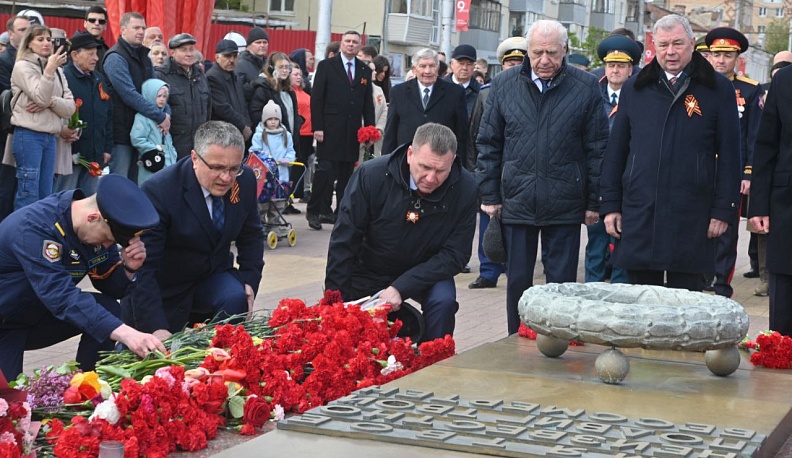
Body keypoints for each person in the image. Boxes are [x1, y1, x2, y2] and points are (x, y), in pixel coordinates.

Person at [477, 20, 608, 335]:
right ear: (527, 51)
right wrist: (490, 195)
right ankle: (516, 339)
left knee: (561, 284)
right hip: (516, 201)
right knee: (518, 282)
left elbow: (598, 148)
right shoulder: (504, 84)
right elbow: (488, 143)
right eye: (537, 52)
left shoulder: (586, 85)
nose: (544, 60)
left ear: (565, 50)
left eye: (552, 52)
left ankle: (557, 341)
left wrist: (593, 202)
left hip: (565, 202)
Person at [600, 15, 741, 292]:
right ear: (655, 46)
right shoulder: (636, 87)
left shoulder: (717, 88)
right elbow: (616, 151)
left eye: (677, 43)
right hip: (641, 210)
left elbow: (730, 157)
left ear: (691, 43)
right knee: (642, 301)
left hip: (692, 211)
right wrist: (610, 205)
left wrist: (723, 209)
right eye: (663, 45)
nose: (671, 52)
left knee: (686, 304)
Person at [0, 174, 164, 378]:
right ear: (93, 217)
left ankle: (90, 386)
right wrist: (126, 332)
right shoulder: (35, 228)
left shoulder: (97, 232)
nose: (107, 247)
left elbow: (110, 286)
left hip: (36, 315)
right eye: (107, 240)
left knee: (109, 309)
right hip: (6, 323)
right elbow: (61, 296)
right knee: (8, 403)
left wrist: (129, 269)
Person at [325, 123, 477, 342]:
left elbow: (456, 255)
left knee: (443, 302)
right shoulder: (372, 175)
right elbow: (345, 239)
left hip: (425, 269)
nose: (431, 178)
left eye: (441, 170)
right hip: (369, 267)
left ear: (452, 163)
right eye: (424, 167)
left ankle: (433, 362)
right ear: (410, 154)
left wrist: (401, 287)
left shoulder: (466, 189)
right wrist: (334, 304)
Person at [121, 121, 264, 338]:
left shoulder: (244, 181)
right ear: (195, 158)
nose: (226, 178)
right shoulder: (160, 191)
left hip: (211, 276)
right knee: (149, 356)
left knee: (236, 297)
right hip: (164, 286)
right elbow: (144, 267)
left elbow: (251, 235)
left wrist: (249, 281)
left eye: (233, 168)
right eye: (217, 168)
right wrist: (155, 326)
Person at [703, 27, 764, 298]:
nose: (721, 60)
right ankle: (699, 280)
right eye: (716, 54)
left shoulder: (750, 91)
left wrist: (748, 173)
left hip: (731, 174)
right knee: (697, 228)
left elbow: (754, 137)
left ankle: (722, 287)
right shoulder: (697, 88)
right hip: (700, 172)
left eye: (727, 55)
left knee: (726, 232)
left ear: (737, 58)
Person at [467, 36, 526, 290]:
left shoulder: (530, 91)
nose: (513, 67)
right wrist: (476, 169)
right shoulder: (487, 93)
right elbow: (476, 133)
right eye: (509, 62)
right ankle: (489, 271)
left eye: (518, 62)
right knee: (488, 220)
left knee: (517, 224)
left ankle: (514, 269)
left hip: (520, 170)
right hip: (492, 168)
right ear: (501, 65)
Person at [583, 35, 641, 285]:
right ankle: (593, 289)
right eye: (611, 65)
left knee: (623, 240)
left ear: (631, 69)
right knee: (595, 241)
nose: (615, 70)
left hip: (625, 181)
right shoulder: (591, 94)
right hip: (596, 180)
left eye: (621, 66)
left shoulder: (638, 96)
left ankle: (620, 290)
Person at [306, 30, 375, 230]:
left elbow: (366, 103)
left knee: (346, 174)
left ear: (359, 45)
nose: (351, 45)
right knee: (325, 171)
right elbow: (317, 99)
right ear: (341, 43)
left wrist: (369, 129)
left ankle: (341, 213)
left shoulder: (363, 69)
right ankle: (315, 210)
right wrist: (317, 127)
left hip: (352, 130)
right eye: (347, 41)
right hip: (329, 129)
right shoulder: (327, 66)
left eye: (355, 42)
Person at [8, 25, 75, 210]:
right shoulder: (22, 66)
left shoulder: (58, 71)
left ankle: (39, 234)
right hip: (29, 135)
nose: (46, 43)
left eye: (48, 39)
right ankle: (23, 234)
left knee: (46, 193)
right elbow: (40, 97)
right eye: (40, 39)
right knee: (28, 191)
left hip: (50, 137)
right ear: (29, 43)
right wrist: (48, 73)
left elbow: (69, 107)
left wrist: (51, 102)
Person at [749, 65, 792, 337]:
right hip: (787, 201)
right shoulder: (785, 80)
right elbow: (766, 145)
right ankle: (782, 348)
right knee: (785, 282)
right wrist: (759, 205)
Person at [103, 12, 170, 183]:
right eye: (136, 28)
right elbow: (129, 95)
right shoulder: (115, 58)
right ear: (123, 30)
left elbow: (156, 89)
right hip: (122, 134)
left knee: (139, 184)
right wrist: (159, 115)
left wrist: (167, 111)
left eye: (143, 28)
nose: (141, 32)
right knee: (120, 184)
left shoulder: (145, 58)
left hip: (144, 134)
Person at [381, 48, 468, 161]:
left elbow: (462, 134)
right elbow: (390, 133)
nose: (428, 71)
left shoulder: (455, 93)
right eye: (422, 66)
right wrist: (386, 162)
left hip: (440, 160)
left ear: (438, 68)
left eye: (432, 66)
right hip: (405, 159)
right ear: (414, 69)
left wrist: (459, 164)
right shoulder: (398, 92)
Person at [57, 31, 113, 196]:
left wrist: (107, 148)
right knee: (65, 197)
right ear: (74, 55)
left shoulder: (99, 79)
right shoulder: (63, 77)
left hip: (95, 155)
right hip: (70, 153)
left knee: (89, 200)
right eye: (90, 54)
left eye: (96, 54)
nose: (96, 58)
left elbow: (108, 115)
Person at [155, 33, 211, 160]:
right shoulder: (162, 75)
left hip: (199, 145)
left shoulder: (200, 75)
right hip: (172, 145)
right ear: (173, 52)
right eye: (183, 50)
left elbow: (208, 109)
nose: (189, 54)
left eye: (191, 49)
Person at [250, 100, 296, 236]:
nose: (273, 122)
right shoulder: (259, 135)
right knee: (262, 204)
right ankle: (261, 225)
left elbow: (290, 151)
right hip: (265, 176)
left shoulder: (286, 135)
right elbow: (255, 152)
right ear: (265, 120)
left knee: (279, 203)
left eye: (276, 119)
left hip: (281, 174)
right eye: (270, 119)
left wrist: (288, 159)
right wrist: (265, 160)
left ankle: (275, 225)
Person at [0, 16, 30, 222]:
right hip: (7, 132)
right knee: (6, 187)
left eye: (29, 29)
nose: (26, 33)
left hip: (30, 131)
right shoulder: (4, 61)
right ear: (10, 34)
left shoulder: (36, 60)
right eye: (21, 30)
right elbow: (9, 95)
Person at [131, 79, 177, 184]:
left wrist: (173, 153)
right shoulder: (142, 118)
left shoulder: (164, 117)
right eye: (159, 96)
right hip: (152, 160)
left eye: (165, 97)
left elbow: (167, 138)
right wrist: (152, 150)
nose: (162, 99)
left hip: (168, 160)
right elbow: (137, 138)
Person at [207, 39, 252, 143]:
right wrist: (243, 125)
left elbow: (243, 104)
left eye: (235, 56)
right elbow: (222, 108)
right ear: (217, 57)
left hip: (237, 132)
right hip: (223, 134)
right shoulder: (213, 77)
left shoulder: (234, 75)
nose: (231, 60)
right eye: (227, 56)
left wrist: (247, 124)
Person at [290, 63, 313, 202]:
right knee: (294, 166)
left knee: (303, 166)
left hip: (308, 134)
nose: (299, 77)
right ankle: (289, 197)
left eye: (300, 75)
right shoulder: (289, 92)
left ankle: (298, 193)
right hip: (298, 133)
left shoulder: (304, 92)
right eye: (295, 75)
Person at [447, 44, 481, 118]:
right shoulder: (439, 87)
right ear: (452, 64)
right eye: (461, 63)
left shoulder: (481, 92)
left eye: (469, 64)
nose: (465, 68)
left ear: (474, 66)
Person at [236, 27, 270, 99]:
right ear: (249, 46)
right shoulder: (240, 64)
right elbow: (237, 93)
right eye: (258, 42)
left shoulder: (269, 64)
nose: (262, 45)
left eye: (265, 42)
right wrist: (254, 84)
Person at [83, 5, 109, 75]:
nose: (96, 23)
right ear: (85, 24)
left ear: (105, 26)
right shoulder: (75, 46)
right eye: (92, 20)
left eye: (101, 21)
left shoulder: (107, 51)